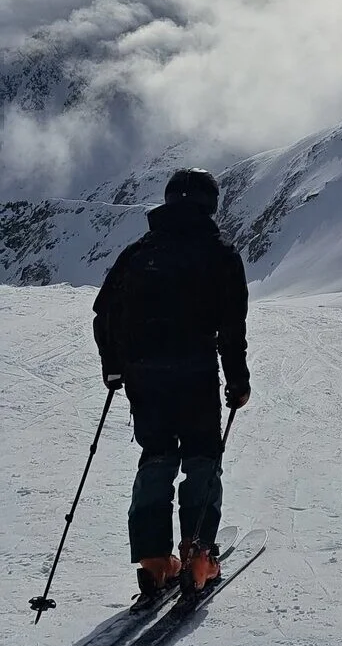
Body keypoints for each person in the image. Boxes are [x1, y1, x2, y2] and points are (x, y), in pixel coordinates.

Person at [92, 167, 251, 598]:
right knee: (202, 457)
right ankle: (199, 557)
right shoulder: (220, 254)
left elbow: (103, 312)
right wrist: (238, 381)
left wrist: (114, 368)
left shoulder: (140, 252)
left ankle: (154, 562)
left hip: (145, 378)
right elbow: (231, 328)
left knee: (157, 457)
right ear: (210, 204)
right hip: (195, 376)